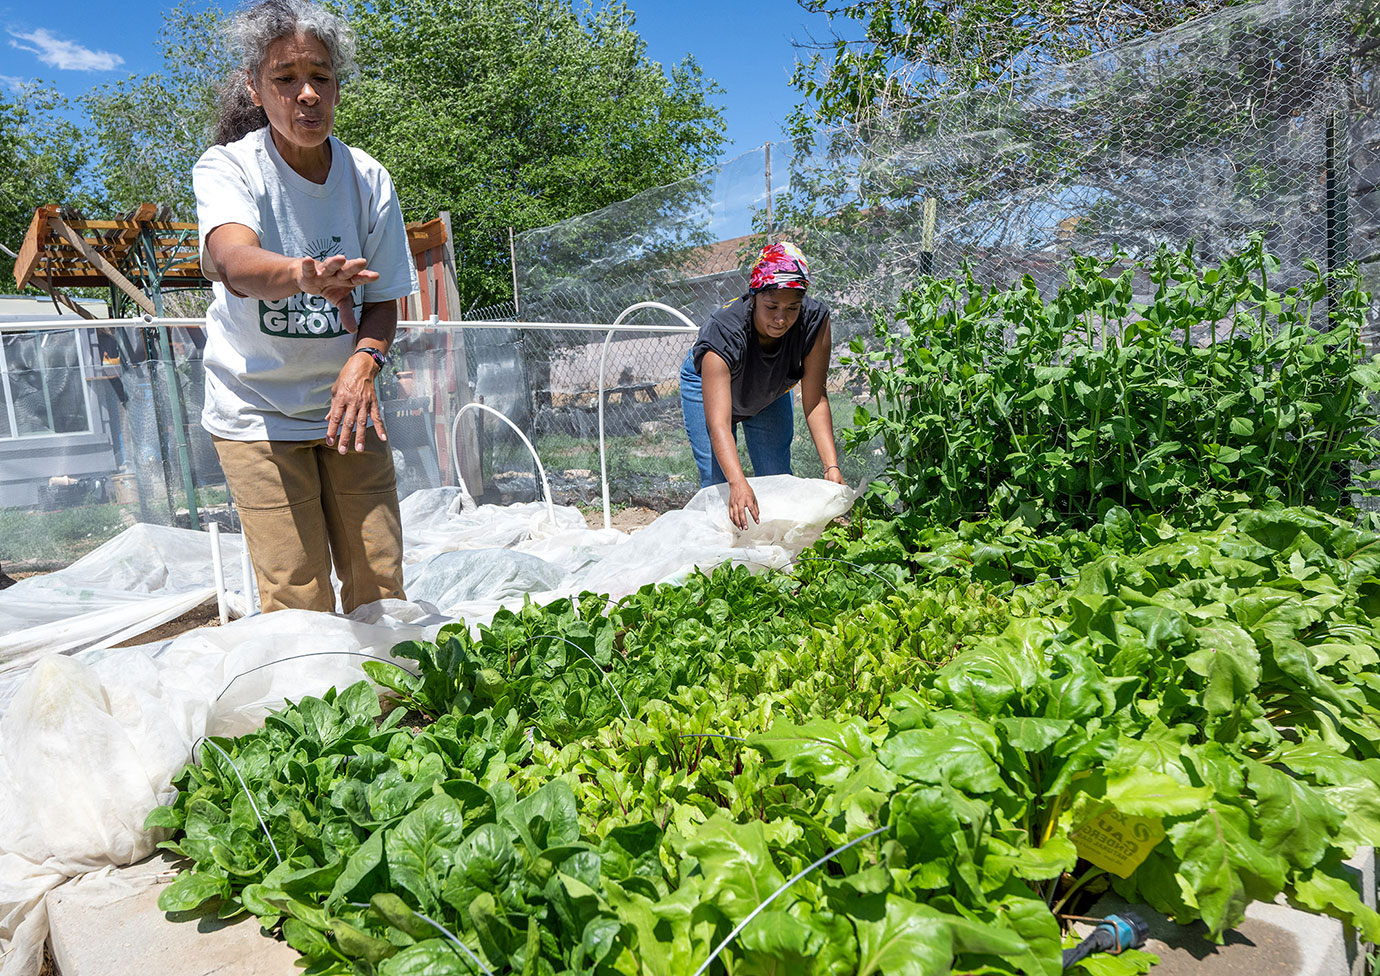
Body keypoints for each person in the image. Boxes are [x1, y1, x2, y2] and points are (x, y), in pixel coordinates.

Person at [194, 0, 418, 613]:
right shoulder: (230, 168)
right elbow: (234, 262)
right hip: (257, 409)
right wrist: (303, 275)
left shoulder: (367, 178)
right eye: (285, 79)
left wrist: (365, 361)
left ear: (338, 84)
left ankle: (390, 704)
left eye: (320, 76)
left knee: (379, 575)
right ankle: (313, 706)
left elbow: (387, 297)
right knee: (297, 591)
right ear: (255, 89)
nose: (306, 95)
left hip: (347, 405)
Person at [680, 242, 846, 530]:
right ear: (754, 296)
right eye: (771, 307)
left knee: (776, 478)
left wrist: (831, 467)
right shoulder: (724, 331)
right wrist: (737, 481)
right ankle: (726, 557)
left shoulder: (814, 321)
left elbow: (815, 398)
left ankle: (776, 551)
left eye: (792, 308)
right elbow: (719, 424)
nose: (781, 318)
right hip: (709, 388)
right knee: (721, 488)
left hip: (769, 390)